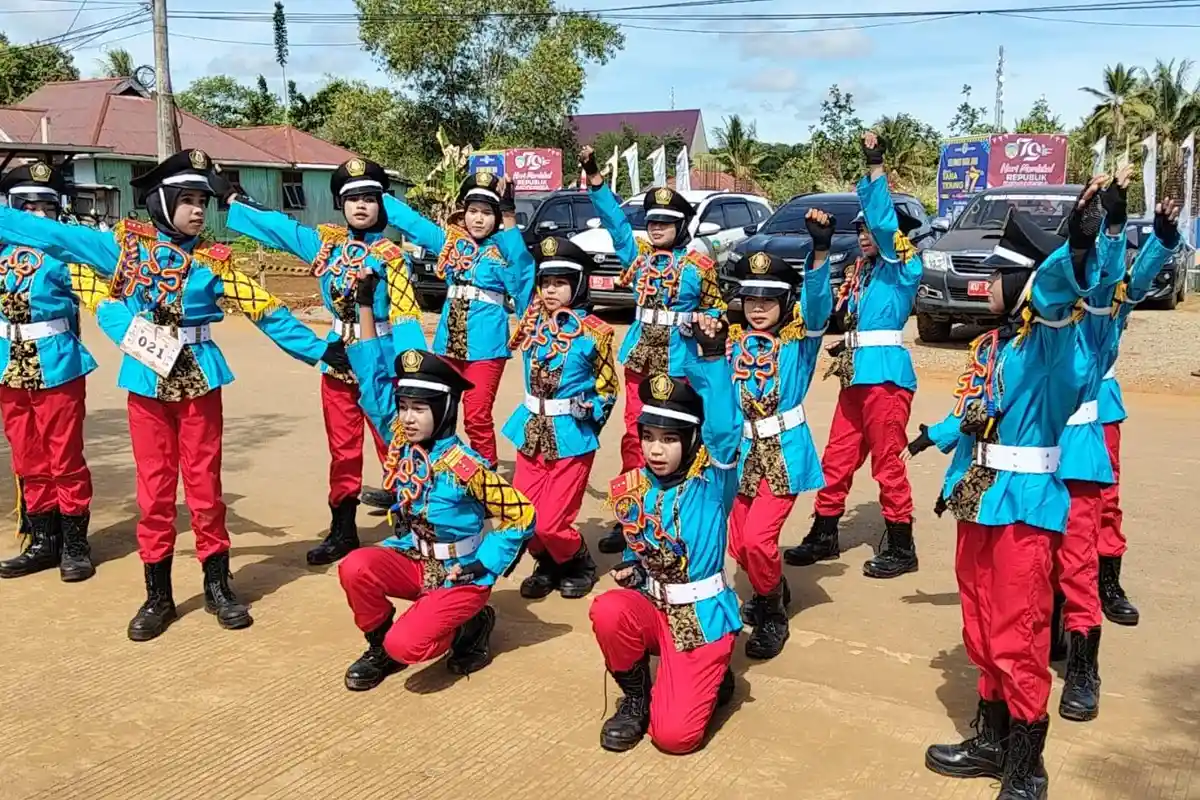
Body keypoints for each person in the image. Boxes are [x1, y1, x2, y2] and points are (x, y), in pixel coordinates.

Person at [0, 148, 349, 641]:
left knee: (205, 488)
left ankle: (217, 585)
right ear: (161, 202)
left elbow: (266, 311)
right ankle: (158, 594)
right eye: (186, 200)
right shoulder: (127, 251)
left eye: (202, 202)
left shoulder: (215, 263)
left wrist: (318, 351)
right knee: (155, 491)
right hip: (146, 381)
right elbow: (52, 234)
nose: (197, 211)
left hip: (200, 380)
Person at [905, 179, 1110, 800]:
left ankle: (1027, 768)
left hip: (1024, 504)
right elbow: (978, 410)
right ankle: (992, 740)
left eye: (995, 277)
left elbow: (1053, 297)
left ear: (1023, 284)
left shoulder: (1048, 343)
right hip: (980, 497)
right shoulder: (993, 345)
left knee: (1016, 635)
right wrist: (934, 437)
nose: (981, 284)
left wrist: (1077, 248)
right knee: (981, 622)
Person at [222, 157, 426, 566]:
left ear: (381, 205)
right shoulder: (326, 246)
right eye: (352, 199)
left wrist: (412, 365)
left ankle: (412, 523)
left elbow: (405, 313)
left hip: (383, 358)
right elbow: (282, 229)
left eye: (369, 198)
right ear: (340, 204)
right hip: (338, 356)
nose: (361, 206)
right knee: (342, 449)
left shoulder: (390, 257)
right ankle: (343, 529)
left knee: (396, 440)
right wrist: (231, 198)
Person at [336, 278, 534, 690]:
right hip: (413, 556)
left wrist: (487, 563)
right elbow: (373, 378)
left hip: (459, 571)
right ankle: (379, 646)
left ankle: (472, 622)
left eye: (419, 409)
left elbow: (522, 513)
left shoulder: (465, 466)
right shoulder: (401, 444)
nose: (408, 418)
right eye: (404, 407)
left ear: (443, 410)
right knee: (356, 567)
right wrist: (366, 306)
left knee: (409, 647)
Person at [589, 313, 741, 755]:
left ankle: (713, 674)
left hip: (701, 615)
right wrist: (635, 568)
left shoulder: (711, 483)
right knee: (609, 610)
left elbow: (725, 430)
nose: (656, 449)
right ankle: (636, 696)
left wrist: (712, 359)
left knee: (673, 739)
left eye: (670, 439)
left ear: (691, 442)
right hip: (655, 605)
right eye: (650, 436)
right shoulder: (634, 486)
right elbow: (655, 542)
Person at [784, 131, 924, 580]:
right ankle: (825, 531)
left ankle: (902, 545)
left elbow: (886, 227)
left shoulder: (904, 267)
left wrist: (875, 166)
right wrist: (819, 253)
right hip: (856, 375)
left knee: (887, 463)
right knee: (837, 458)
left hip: (885, 377)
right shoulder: (859, 274)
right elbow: (820, 312)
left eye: (871, 229)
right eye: (860, 228)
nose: (865, 235)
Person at [577, 146, 726, 555]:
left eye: (666, 221)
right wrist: (595, 178)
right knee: (634, 437)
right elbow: (615, 223)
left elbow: (716, 308)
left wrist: (705, 321)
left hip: (681, 363)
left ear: (681, 226)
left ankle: (678, 510)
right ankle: (632, 511)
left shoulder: (699, 267)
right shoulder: (638, 258)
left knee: (681, 438)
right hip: (641, 359)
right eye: (653, 221)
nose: (657, 226)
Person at [725, 214, 833, 661]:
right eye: (751, 297)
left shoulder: (797, 343)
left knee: (757, 540)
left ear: (785, 303)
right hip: (739, 453)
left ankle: (772, 611)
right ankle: (774, 586)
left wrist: (821, 254)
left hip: (784, 452)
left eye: (769, 300)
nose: (758, 307)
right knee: (736, 542)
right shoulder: (730, 341)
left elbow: (818, 306)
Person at [1047, 167, 1131, 724]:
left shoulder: (1097, 318)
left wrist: (1115, 224)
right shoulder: (1036, 322)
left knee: (1080, 554)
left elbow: (1113, 278)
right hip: (1033, 457)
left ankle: (1083, 664)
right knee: (1035, 562)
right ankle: (1051, 628)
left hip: (1080, 444)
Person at [379, 173, 532, 468]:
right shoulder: (452, 244)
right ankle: (432, 468)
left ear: (497, 217)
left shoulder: (505, 249)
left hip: (486, 348)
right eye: (473, 211)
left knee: (476, 416)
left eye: (487, 213)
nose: (479, 219)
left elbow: (522, 273)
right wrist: (380, 196)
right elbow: (415, 225)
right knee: (437, 409)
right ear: (464, 213)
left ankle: (485, 475)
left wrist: (510, 214)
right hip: (447, 345)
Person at [505, 236, 618, 601]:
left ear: (578, 284)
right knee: (522, 515)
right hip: (530, 430)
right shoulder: (531, 321)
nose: (550, 291)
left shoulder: (594, 333)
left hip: (571, 435)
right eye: (546, 283)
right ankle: (548, 564)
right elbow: (520, 267)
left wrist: (591, 413)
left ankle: (576, 560)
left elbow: (609, 389)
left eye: (560, 283)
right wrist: (507, 215)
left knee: (553, 521)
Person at [0, 161, 97, 582]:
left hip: (57, 361)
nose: (39, 217)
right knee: (27, 455)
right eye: (28, 207)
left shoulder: (68, 255)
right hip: (8, 364)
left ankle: (76, 544)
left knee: (65, 455)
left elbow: (101, 296)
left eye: (47, 208)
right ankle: (42, 540)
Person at [1091, 205, 1180, 627]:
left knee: (1106, 500)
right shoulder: (1057, 291)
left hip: (1101, 408)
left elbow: (1138, 278)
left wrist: (1161, 238)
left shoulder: (1115, 301)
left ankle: (1108, 583)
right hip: (1056, 410)